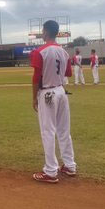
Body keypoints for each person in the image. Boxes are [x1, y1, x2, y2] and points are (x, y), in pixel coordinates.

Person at [30, 20, 77, 183]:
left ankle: (50, 171)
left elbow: (36, 77)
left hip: (47, 92)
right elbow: (68, 73)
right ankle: (70, 165)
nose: (42, 33)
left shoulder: (40, 51)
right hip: (61, 91)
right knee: (64, 129)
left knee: (48, 131)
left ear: (46, 31)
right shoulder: (63, 52)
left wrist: (34, 97)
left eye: (43, 30)